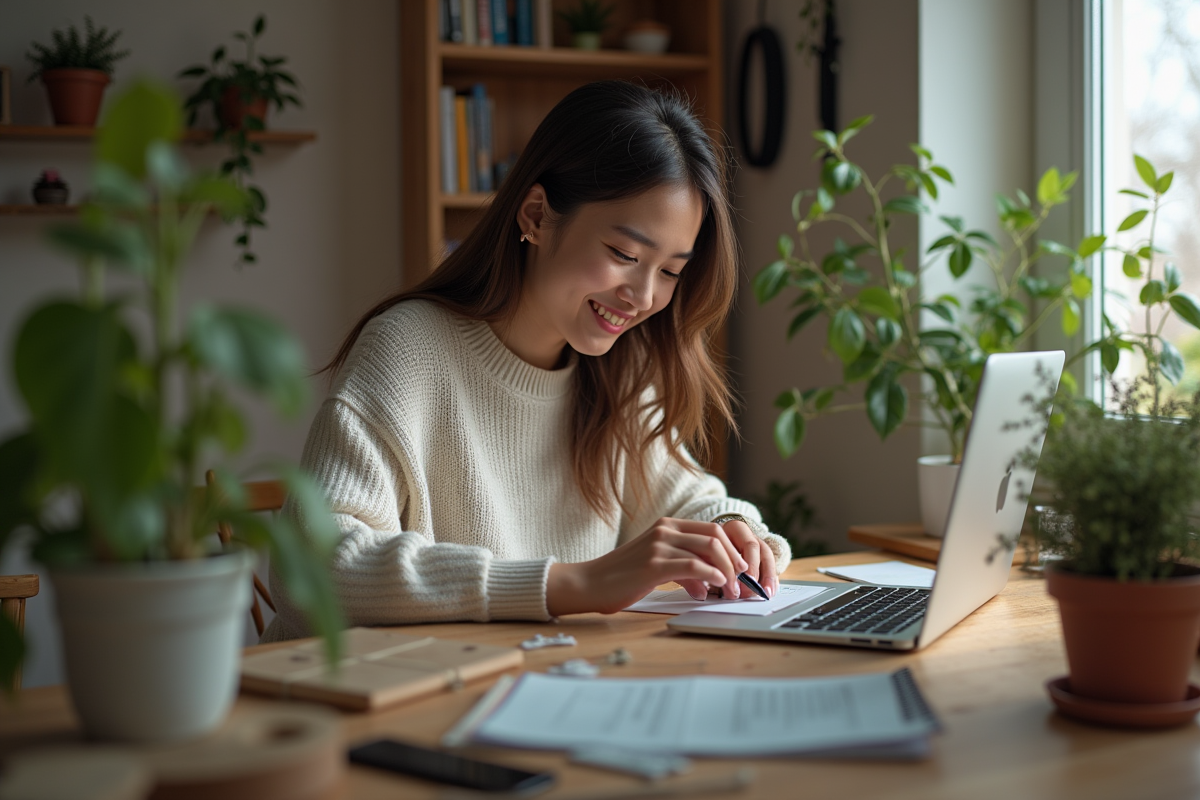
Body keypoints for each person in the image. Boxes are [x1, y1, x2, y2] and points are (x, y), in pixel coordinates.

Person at [261, 80, 791, 642]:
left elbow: (689, 500)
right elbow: (311, 570)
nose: (642, 296)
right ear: (537, 216)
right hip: (376, 703)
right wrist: (572, 584)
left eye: (669, 272)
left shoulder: (621, 369)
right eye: (624, 254)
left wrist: (731, 529)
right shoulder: (408, 349)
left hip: (532, 685)